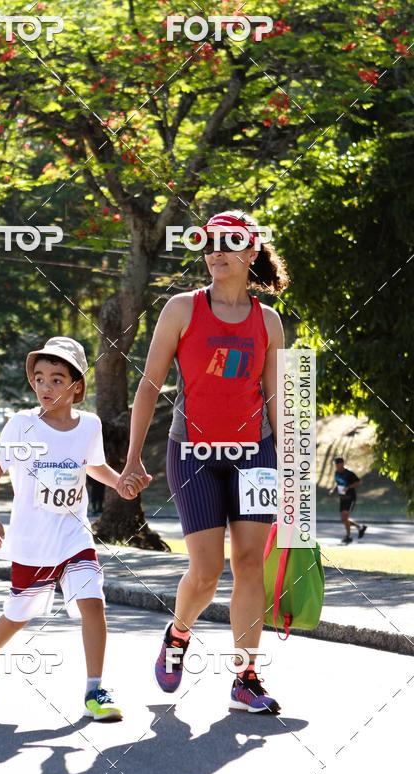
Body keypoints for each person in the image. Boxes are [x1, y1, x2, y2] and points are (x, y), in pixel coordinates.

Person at [119, 210, 287, 714]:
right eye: (210, 242)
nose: (216, 251)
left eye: (230, 243)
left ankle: (246, 677)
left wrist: (291, 463)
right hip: (192, 451)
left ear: (251, 252)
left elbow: (274, 396)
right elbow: (148, 387)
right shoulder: (181, 309)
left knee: (251, 563)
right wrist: (130, 461)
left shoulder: (269, 321)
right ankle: (179, 632)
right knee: (208, 570)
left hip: (254, 453)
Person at [0, 337, 145, 720]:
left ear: (77, 385)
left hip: (73, 534)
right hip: (32, 540)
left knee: (93, 603)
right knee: (19, 614)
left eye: (57, 379)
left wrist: (119, 483)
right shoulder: (22, 425)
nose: (46, 386)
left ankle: (96, 691)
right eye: (40, 378)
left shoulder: (89, 425)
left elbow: (92, 465)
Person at [330, 457, 366, 544]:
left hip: (350, 498)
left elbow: (359, 482)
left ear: (342, 464)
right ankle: (360, 527)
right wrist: (333, 490)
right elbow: (338, 483)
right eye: (335, 464)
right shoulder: (336, 473)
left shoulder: (348, 473)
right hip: (342, 498)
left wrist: (348, 487)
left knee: (345, 518)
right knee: (343, 519)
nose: (336, 466)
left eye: (337, 464)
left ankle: (348, 536)